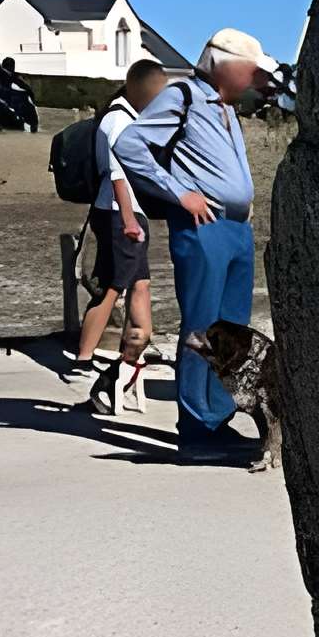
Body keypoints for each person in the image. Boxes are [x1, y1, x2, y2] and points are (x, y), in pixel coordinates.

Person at [113, 28, 277, 463]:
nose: (255, 78)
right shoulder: (183, 95)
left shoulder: (225, 107)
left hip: (235, 228)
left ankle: (216, 421)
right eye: (251, 70)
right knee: (204, 328)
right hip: (202, 227)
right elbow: (129, 144)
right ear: (224, 65)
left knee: (232, 329)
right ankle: (197, 431)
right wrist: (179, 192)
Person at [67, 57, 166, 400]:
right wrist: (128, 220)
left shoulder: (126, 117)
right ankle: (83, 358)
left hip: (127, 212)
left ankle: (135, 351)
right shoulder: (117, 121)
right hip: (118, 213)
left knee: (140, 283)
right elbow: (117, 175)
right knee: (113, 286)